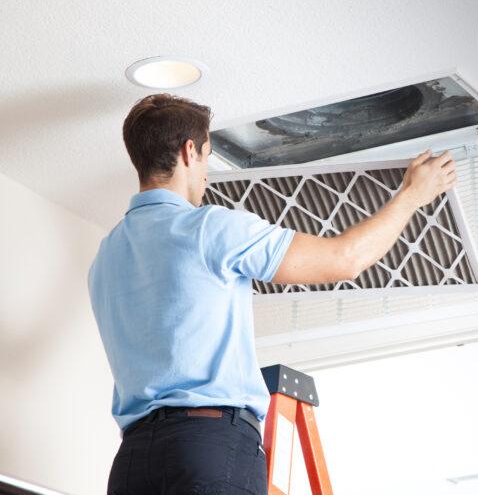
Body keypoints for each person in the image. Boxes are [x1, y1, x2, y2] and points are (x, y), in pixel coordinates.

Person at [88, 93, 457, 494]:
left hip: (131, 465)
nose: (207, 174)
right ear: (189, 151)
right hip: (206, 447)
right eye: (208, 156)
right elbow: (345, 258)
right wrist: (411, 197)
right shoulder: (211, 228)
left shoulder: (106, 256)